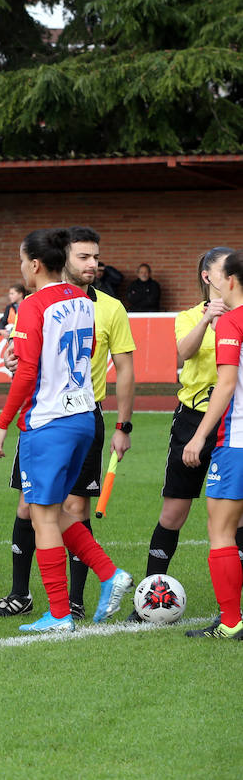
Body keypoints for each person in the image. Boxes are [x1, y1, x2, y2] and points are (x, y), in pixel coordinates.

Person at [0, 227, 136, 620]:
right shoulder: (85, 301)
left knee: (42, 513)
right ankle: (109, 573)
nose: (21, 268)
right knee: (58, 509)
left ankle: (57, 614)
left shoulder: (33, 306)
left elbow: (28, 371)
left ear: (35, 264)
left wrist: (3, 424)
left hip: (48, 422)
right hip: (84, 417)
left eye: (21, 261)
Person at [138, 247, 243, 596]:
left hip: (233, 421)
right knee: (173, 513)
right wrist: (206, 320)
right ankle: (151, 594)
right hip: (192, 419)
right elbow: (184, 352)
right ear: (207, 277)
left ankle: (232, 605)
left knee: (233, 518)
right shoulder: (188, 316)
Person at [181, 250, 243, 638]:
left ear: (232, 280)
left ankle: (231, 622)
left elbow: (225, 383)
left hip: (237, 442)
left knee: (220, 531)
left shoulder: (232, 322)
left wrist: (199, 436)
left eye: (215, 277)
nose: (211, 282)